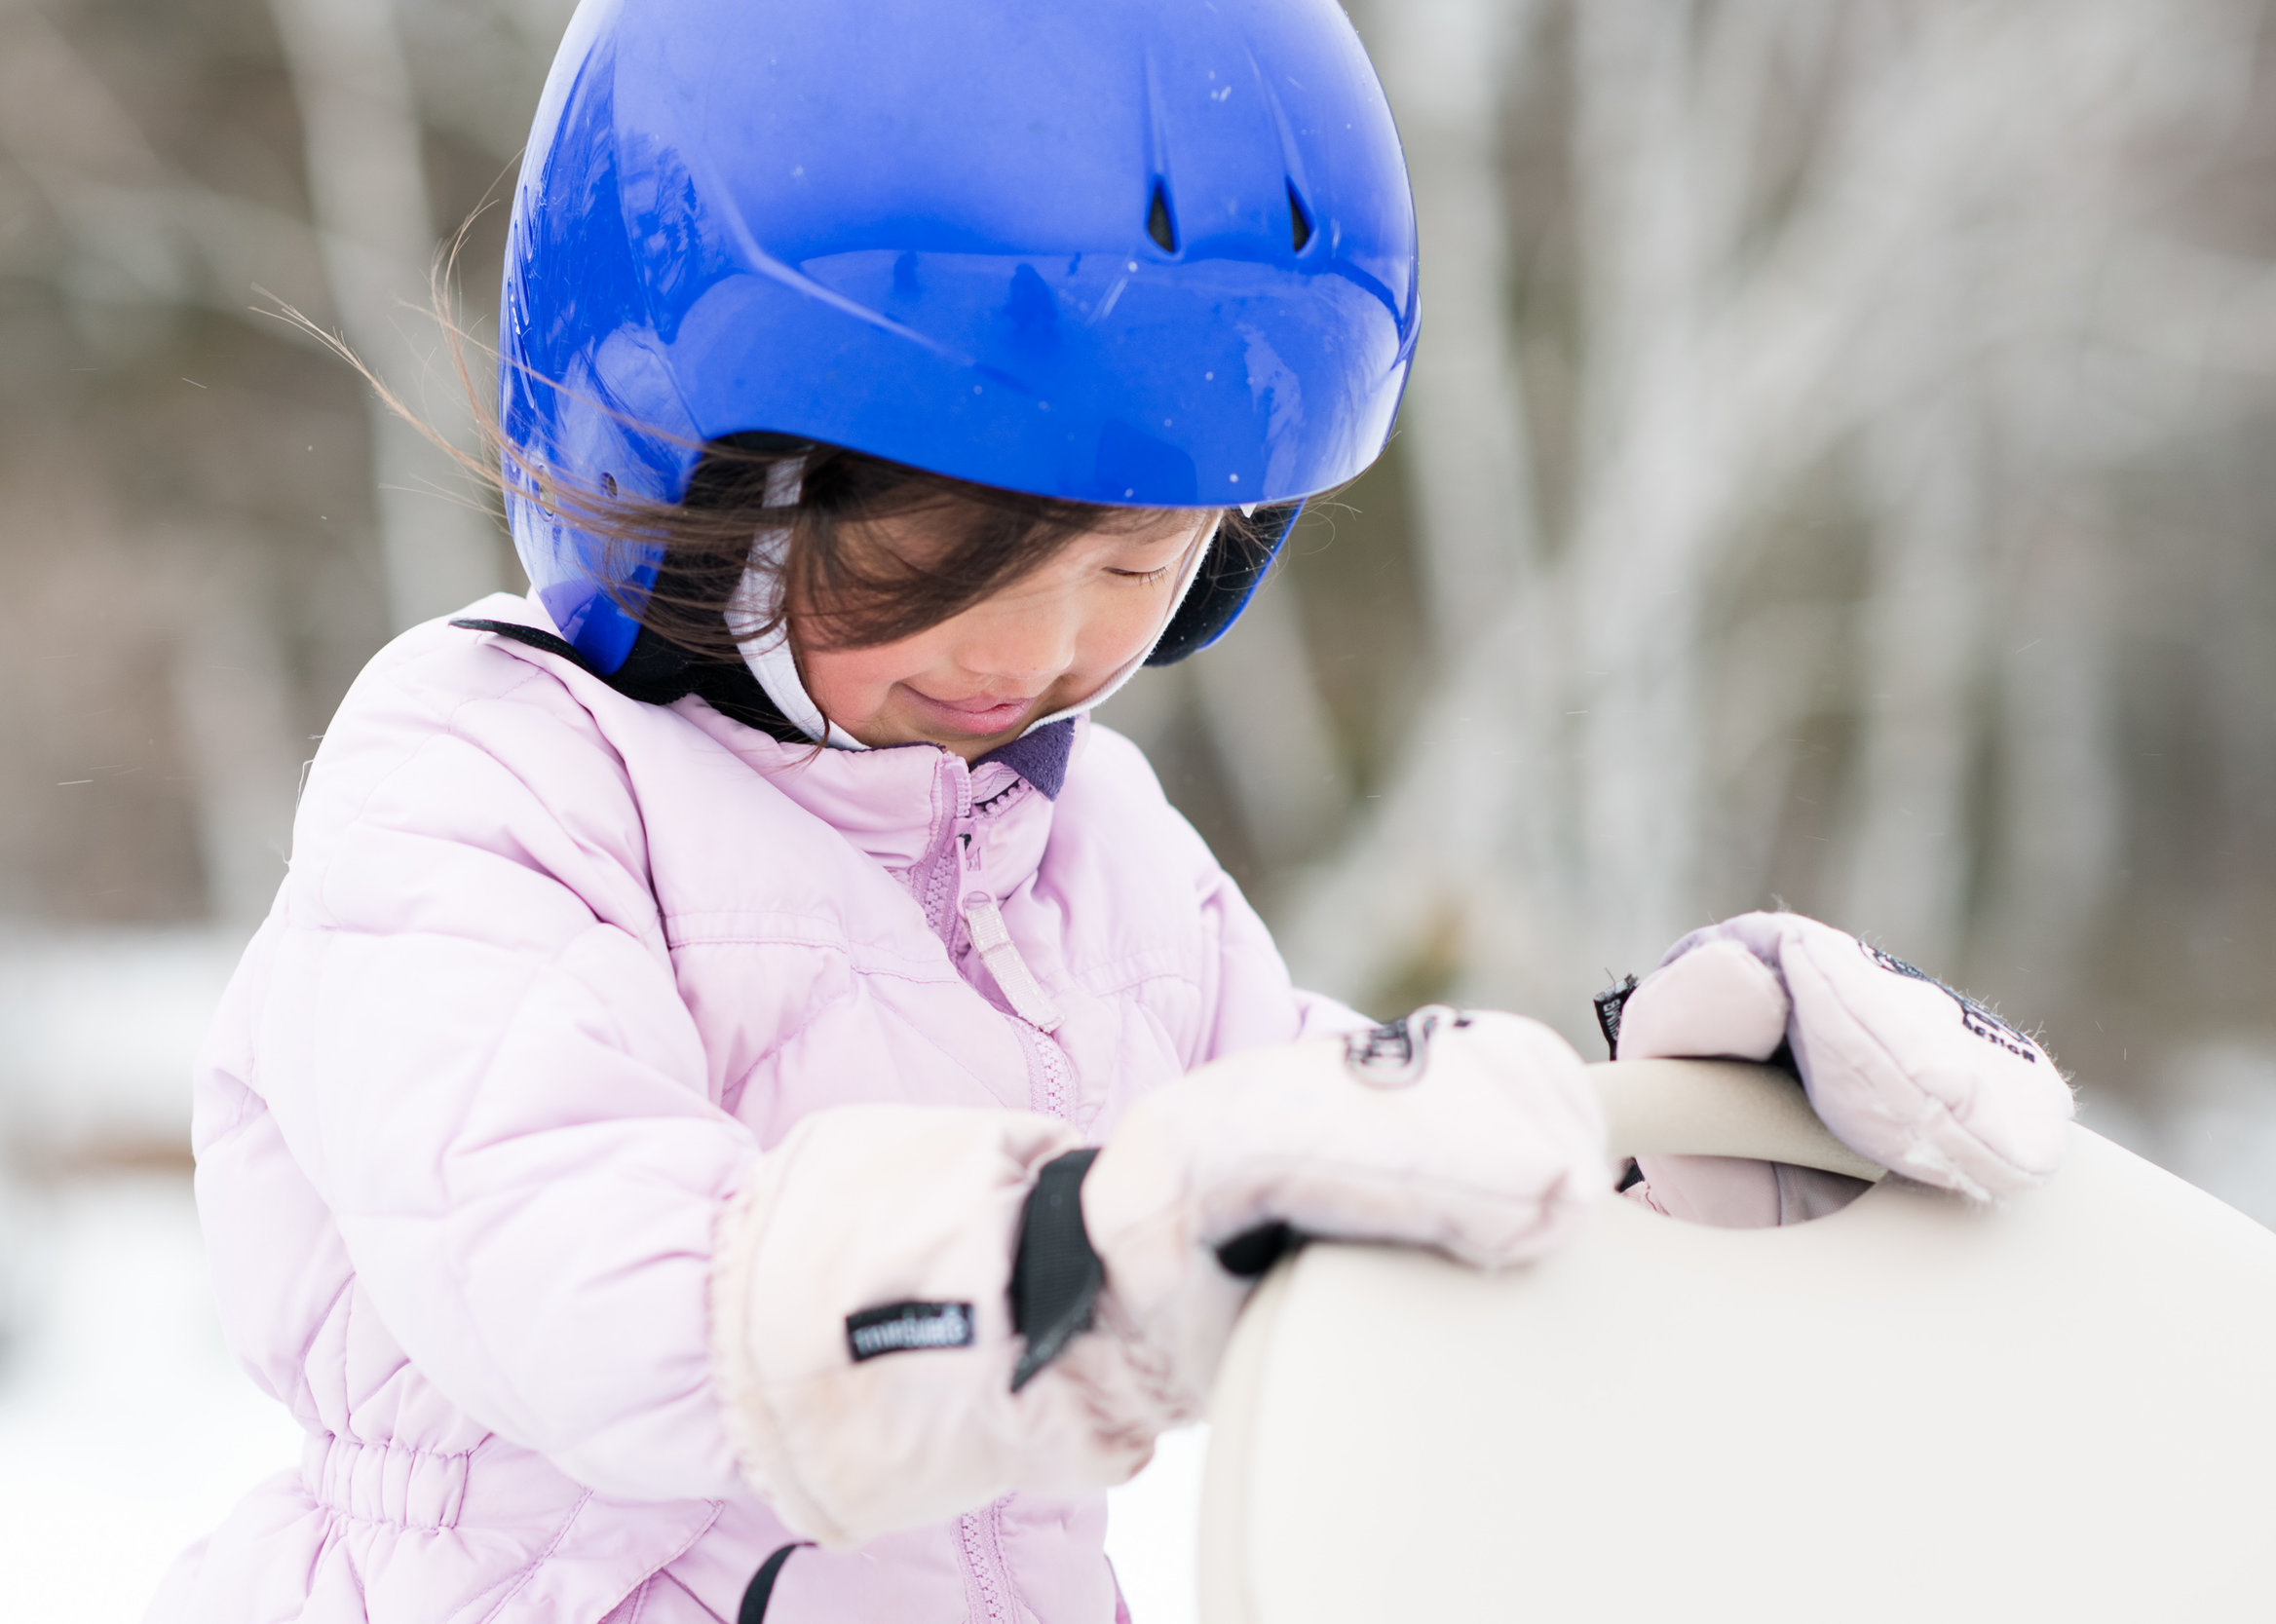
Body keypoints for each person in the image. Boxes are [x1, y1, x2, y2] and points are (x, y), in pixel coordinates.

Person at [149, 2, 2074, 1620]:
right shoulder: (479, 783)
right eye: (956, 550)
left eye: (1139, 562)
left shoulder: (1078, 848)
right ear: (701, 459)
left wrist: (1663, 1126)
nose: (1042, 646)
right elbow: (590, 1293)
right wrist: (1084, 1249)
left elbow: (1313, 1175)